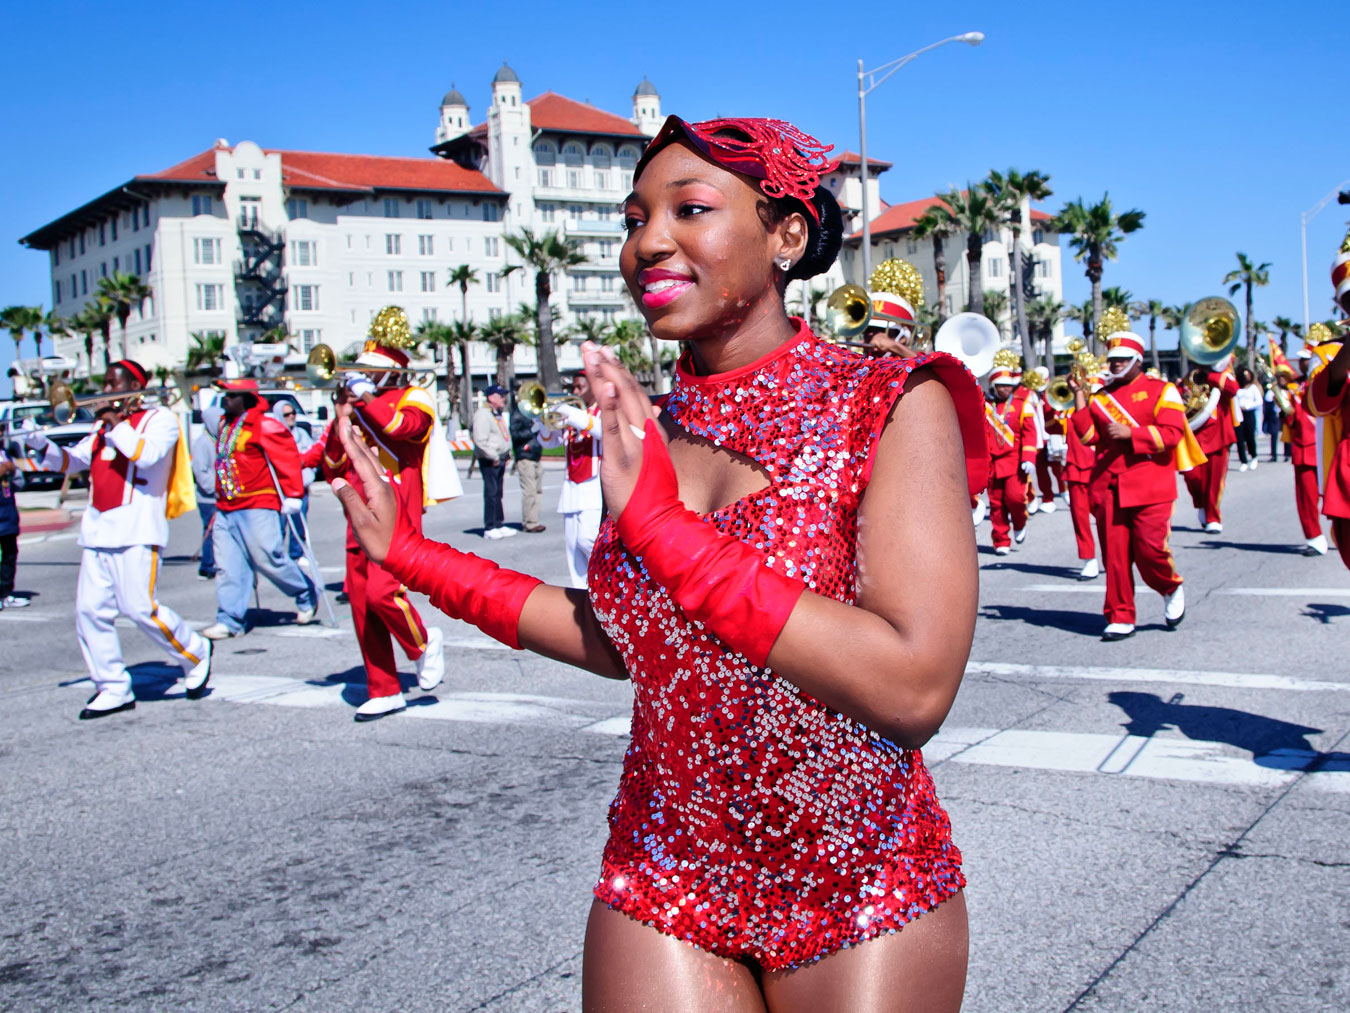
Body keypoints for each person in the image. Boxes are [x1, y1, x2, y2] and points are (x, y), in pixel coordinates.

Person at [329, 115, 986, 1008]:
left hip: (858, 872)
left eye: (691, 208)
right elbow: (631, 643)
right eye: (634, 218)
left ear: (786, 234)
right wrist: (409, 553)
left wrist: (669, 533)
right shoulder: (647, 437)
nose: (649, 241)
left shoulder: (889, 402)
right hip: (667, 864)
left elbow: (914, 688)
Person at [22, 360, 211, 717]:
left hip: (137, 531)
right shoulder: (100, 428)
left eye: (112, 384)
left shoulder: (160, 421)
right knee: (89, 613)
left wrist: (113, 421)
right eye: (105, 384)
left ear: (133, 386)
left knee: (140, 609)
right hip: (97, 533)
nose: (104, 391)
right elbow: (72, 462)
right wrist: (36, 440)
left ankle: (196, 650)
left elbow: (146, 456)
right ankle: (112, 686)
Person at [306, 309, 445, 721]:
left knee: (386, 593)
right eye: (360, 371)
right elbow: (331, 463)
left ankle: (422, 643)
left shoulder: (414, 396)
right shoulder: (357, 406)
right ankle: (383, 687)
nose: (360, 376)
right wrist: (343, 416)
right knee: (362, 604)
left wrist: (367, 399)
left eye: (371, 371)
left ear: (392, 372)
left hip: (397, 512)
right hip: (358, 512)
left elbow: (404, 430)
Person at [1071, 333, 1201, 641]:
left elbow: (1172, 434)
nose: (1115, 363)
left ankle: (1169, 586)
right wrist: (1079, 395)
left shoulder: (1162, 390)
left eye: (1121, 358)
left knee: (1150, 549)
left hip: (1150, 485)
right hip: (1109, 486)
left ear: (1137, 360)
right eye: (1112, 358)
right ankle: (1120, 614)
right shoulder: (1100, 397)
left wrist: (1133, 434)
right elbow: (1089, 436)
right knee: (1114, 557)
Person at [200, 379, 317, 640]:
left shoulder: (265, 425)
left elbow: (286, 459)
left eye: (230, 396)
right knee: (228, 565)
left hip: (258, 503)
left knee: (268, 557)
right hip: (226, 505)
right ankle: (229, 618)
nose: (224, 401)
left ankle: (304, 591)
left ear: (246, 398)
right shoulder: (224, 425)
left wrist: (294, 494)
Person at [536, 372, 603, 587]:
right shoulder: (573, 416)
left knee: (589, 541)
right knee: (573, 549)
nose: (574, 392)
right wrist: (544, 420)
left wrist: (575, 416)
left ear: (593, 386)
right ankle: (582, 597)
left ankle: (603, 591)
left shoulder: (603, 411)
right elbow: (548, 443)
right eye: (573, 388)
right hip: (571, 490)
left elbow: (605, 432)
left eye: (579, 387)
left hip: (594, 488)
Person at [984, 363, 1037, 555]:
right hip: (991, 462)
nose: (1007, 388)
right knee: (996, 504)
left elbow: (1030, 433)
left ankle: (1019, 523)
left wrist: (1029, 457)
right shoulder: (985, 406)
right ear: (994, 386)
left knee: (1015, 498)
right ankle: (1001, 539)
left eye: (1009, 385)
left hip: (1015, 461)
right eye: (1002, 385)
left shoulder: (1022, 405)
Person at [1182, 357, 1239, 533]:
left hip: (1218, 435)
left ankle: (1213, 516)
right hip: (1194, 435)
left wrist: (1211, 373)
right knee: (1192, 477)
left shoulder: (1223, 376)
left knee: (1214, 481)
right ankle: (1202, 504)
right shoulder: (1191, 376)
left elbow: (1233, 389)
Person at [1282, 374, 1327, 555]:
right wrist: (1285, 410)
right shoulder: (1295, 390)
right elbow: (1292, 420)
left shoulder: (1332, 380)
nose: (1305, 363)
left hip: (1331, 445)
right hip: (1304, 447)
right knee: (1306, 498)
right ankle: (1315, 538)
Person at [1064, 370, 1102, 580]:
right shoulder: (1068, 412)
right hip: (1076, 469)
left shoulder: (1105, 409)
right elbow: (1051, 428)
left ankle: (1117, 552)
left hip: (1101, 469)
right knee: (1080, 518)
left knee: (1108, 517)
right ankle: (1088, 558)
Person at [471, 384, 516, 539]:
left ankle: (498, 523)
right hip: (490, 460)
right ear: (491, 397)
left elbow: (502, 435)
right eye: (500, 395)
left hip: (500, 458)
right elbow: (480, 440)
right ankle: (490, 526)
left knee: (498, 492)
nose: (503, 398)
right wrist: (494, 456)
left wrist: (507, 453)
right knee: (491, 492)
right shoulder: (483, 414)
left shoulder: (495, 413)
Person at [275, 401, 316, 562]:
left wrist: (308, 477)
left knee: (300, 523)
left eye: (293, 412)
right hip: (283, 488)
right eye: (286, 414)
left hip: (301, 486)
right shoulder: (276, 435)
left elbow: (311, 454)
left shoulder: (302, 434)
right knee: (280, 524)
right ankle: (277, 555)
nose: (291, 416)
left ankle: (296, 554)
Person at [508, 390, 547, 533]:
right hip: (525, 456)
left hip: (536, 455)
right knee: (529, 491)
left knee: (538, 491)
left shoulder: (533, 413)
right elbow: (515, 433)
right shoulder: (518, 413)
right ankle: (529, 522)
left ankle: (534, 519)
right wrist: (533, 429)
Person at [0, 435, 29, 609]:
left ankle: (6, 593)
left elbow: (18, 484)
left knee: (10, 555)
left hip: (8, 514)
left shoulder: (5, 454)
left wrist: (14, 471)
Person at [191, 410, 219, 581]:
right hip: (208, 498)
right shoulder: (202, 443)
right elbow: (201, 473)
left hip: (220, 494)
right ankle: (206, 566)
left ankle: (218, 562)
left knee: (220, 532)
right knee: (210, 531)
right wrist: (215, 488)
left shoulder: (219, 441)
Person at [1233, 364, 1262, 471]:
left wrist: (1249, 406)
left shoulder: (1253, 388)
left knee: (1250, 437)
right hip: (1238, 414)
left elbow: (1259, 401)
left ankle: (1254, 456)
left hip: (1249, 413)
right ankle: (1243, 461)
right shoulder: (1237, 388)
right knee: (1239, 439)